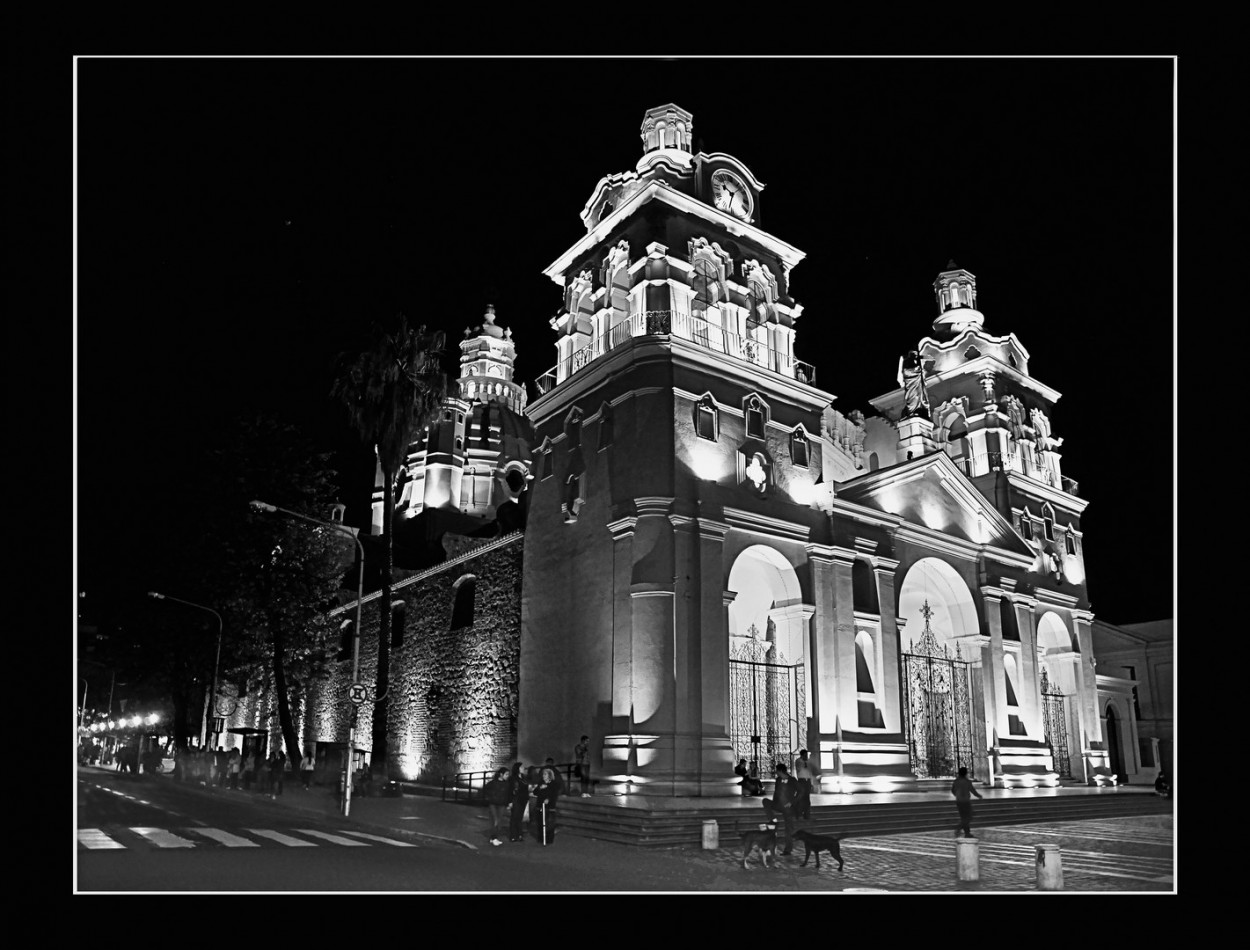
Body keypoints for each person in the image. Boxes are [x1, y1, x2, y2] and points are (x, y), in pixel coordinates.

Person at [762, 763, 799, 855]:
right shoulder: (778, 780)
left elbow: (800, 792)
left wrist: (791, 802)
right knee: (765, 801)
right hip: (778, 804)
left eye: (777, 771)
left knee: (788, 829)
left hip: (788, 807)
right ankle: (773, 819)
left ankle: (788, 849)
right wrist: (774, 803)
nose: (776, 773)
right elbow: (776, 792)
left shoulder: (792, 780)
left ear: (781, 771)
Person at [951, 766, 983, 838]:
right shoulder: (967, 782)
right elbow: (972, 790)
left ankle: (967, 833)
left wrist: (956, 795)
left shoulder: (956, 781)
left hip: (959, 801)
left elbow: (953, 790)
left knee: (964, 817)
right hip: (966, 801)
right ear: (965, 773)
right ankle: (959, 828)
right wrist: (979, 796)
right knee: (969, 817)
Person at [897, 349, 930, 419]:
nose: (915, 356)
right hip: (911, 385)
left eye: (916, 355)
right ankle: (912, 411)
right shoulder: (906, 361)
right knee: (914, 398)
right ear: (910, 354)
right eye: (914, 354)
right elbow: (905, 372)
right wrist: (916, 370)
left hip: (918, 385)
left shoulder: (917, 362)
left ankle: (919, 410)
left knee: (919, 397)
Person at [483, 767, 510, 846]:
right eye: (506, 774)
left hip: (501, 804)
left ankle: (493, 837)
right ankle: (494, 838)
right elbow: (485, 789)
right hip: (493, 803)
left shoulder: (507, 784)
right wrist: (490, 797)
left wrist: (507, 803)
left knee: (499, 820)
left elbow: (507, 795)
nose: (507, 776)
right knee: (495, 820)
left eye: (508, 774)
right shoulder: (493, 783)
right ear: (501, 774)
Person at [507, 762, 530, 843]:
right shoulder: (513, 778)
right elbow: (510, 790)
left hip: (523, 799)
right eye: (522, 767)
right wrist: (510, 801)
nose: (523, 768)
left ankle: (519, 834)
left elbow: (526, 788)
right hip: (516, 799)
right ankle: (513, 835)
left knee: (520, 818)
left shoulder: (524, 777)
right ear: (517, 769)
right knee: (514, 817)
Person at [793, 749, 818, 819]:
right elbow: (800, 768)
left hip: (808, 781)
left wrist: (812, 783)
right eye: (805, 755)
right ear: (802, 755)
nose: (807, 756)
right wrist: (806, 762)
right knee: (801, 797)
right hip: (802, 781)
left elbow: (810, 773)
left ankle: (807, 814)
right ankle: (799, 814)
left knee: (807, 798)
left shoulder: (808, 762)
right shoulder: (798, 761)